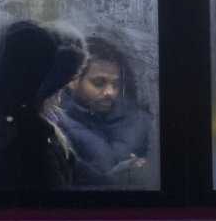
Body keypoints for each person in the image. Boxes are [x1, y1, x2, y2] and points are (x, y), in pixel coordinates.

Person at [0, 20, 102, 189]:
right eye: (56, 86)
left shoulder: (44, 128)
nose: (58, 95)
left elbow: (79, 171)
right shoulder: (28, 137)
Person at [57, 36, 150, 185]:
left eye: (115, 84)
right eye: (99, 82)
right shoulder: (56, 125)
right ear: (73, 81)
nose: (110, 92)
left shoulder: (139, 120)